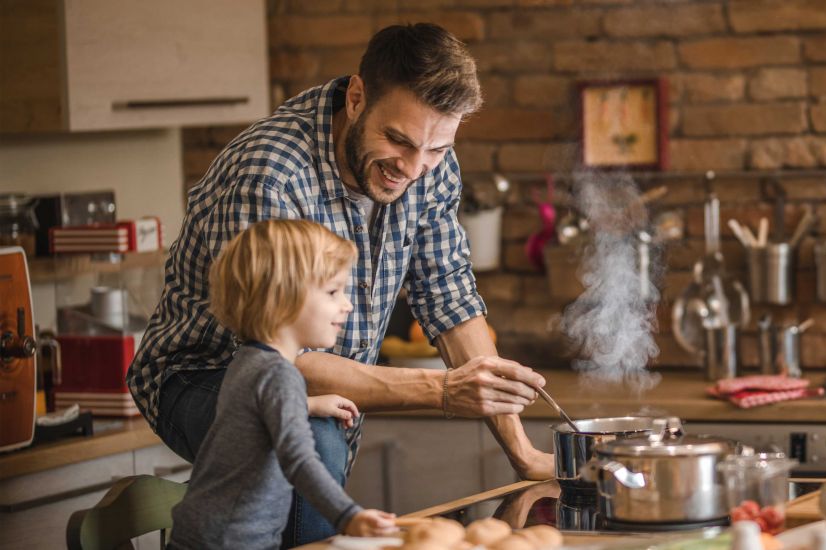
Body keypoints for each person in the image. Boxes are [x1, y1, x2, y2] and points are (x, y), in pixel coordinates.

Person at [127, 23, 552, 546]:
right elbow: (280, 356)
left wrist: (522, 451)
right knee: (309, 435)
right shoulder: (271, 173)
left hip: (313, 382)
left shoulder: (428, 162)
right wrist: (441, 391)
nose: (414, 168)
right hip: (201, 374)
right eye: (397, 140)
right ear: (356, 98)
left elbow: (449, 297)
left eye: (437, 149)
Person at [169, 220, 396, 549]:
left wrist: (309, 404)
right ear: (283, 298)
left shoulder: (248, 360)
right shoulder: (280, 375)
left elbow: (248, 415)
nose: (346, 304)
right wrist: (349, 516)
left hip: (204, 535)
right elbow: (300, 459)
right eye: (333, 291)